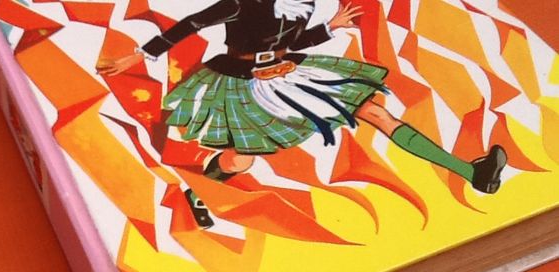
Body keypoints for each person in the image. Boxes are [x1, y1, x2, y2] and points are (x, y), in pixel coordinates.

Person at [99, 0, 506, 228]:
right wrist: (139, 54)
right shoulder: (240, 2)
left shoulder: (303, 2)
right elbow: (191, 23)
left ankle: (474, 173)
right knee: (241, 159)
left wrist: (330, 27)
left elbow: (291, 42)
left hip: (290, 70)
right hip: (241, 81)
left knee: (375, 111)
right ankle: (198, 194)